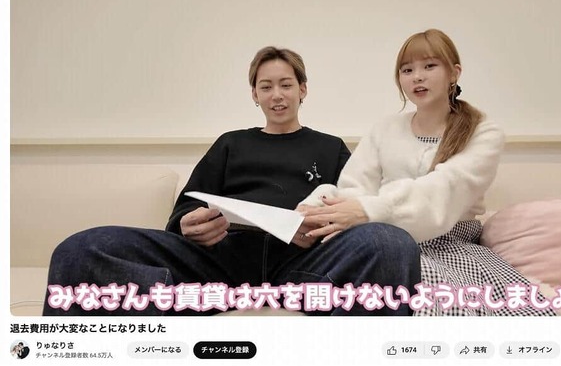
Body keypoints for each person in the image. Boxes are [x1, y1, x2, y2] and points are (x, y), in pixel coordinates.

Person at [43, 46, 421, 316]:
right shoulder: (231, 143)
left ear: (303, 89)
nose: (277, 95)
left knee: (390, 243)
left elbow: (352, 204)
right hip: (218, 267)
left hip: (303, 268)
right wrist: (188, 224)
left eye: (286, 84)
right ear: (254, 94)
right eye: (266, 86)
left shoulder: (330, 147)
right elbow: (187, 208)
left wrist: (323, 225)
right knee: (82, 249)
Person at [298, 29, 556, 316]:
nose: (417, 77)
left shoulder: (484, 132)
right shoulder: (385, 128)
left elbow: (445, 187)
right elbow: (354, 188)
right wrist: (322, 206)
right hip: (381, 238)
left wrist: (370, 210)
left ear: (454, 73)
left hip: (452, 245)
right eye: (407, 70)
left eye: (429, 66)